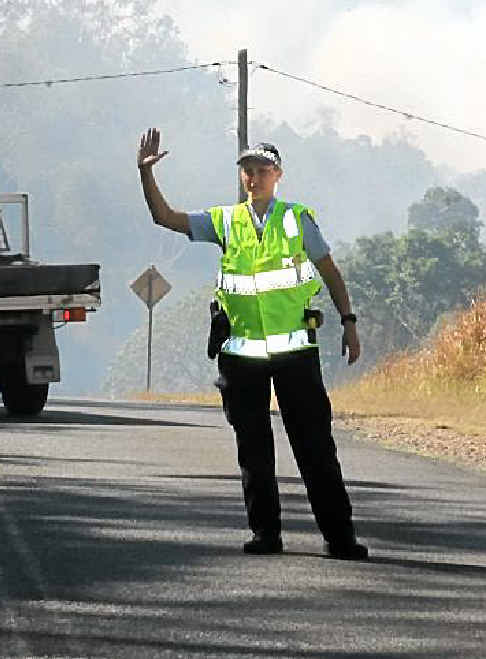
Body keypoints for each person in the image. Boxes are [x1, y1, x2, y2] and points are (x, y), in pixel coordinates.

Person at [137, 128, 368, 560]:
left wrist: (349, 322)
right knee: (254, 450)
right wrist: (146, 175)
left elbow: (330, 272)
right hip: (242, 358)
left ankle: (340, 538)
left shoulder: (297, 219)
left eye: (262, 170)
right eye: (247, 170)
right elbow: (165, 218)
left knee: (315, 448)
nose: (253, 177)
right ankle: (266, 534)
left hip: (295, 354)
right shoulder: (225, 221)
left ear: (278, 174)